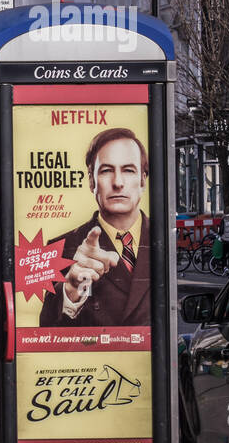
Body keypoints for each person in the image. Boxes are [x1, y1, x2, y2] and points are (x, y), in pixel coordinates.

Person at [40, 127, 151, 328]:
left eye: (128, 170)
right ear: (91, 180)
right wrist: (71, 290)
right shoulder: (61, 247)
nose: (118, 183)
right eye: (107, 171)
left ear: (143, 179)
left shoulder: (164, 241)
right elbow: (48, 333)